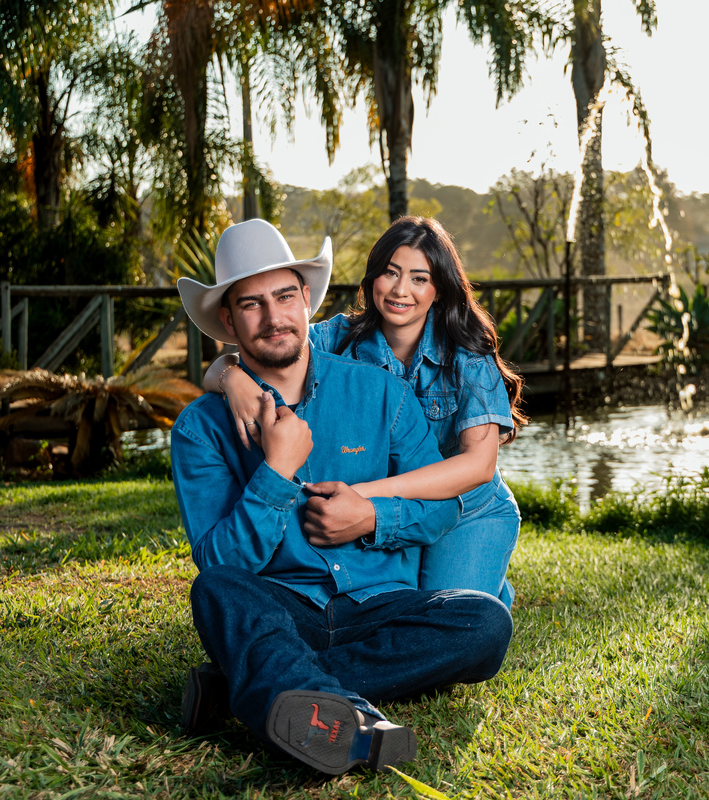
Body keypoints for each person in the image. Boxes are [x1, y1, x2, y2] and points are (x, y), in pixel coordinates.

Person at [171, 219, 513, 775]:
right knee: (218, 591)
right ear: (229, 321)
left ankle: (252, 687)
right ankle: (344, 716)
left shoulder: (385, 389)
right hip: (287, 603)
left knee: (485, 622)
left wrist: (371, 516)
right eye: (252, 304)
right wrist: (276, 471)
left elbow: (448, 502)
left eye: (285, 296)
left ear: (306, 300)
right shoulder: (200, 429)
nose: (274, 316)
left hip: (386, 595)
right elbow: (221, 562)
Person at [205, 216, 526, 607]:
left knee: (449, 615)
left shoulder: (467, 352)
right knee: (404, 615)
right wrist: (231, 377)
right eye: (390, 273)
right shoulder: (338, 338)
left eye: (419, 278)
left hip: (465, 507)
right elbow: (272, 347)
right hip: (394, 510)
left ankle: (486, 582)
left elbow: (479, 466)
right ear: (373, 278)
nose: (400, 290)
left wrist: (363, 497)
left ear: (439, 289)